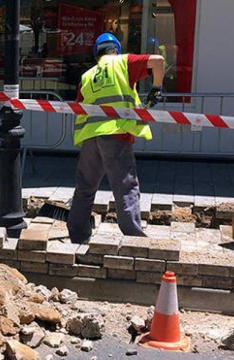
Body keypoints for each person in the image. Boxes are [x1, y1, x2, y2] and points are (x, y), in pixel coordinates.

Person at [67, 33, 164, 243]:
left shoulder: (88, 75)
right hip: (116, 133)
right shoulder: (123, 63)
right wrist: (156, 89)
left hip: (91, 136)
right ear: (116, 49)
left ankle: (77, 234)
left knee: (85, 187)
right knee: (125, 187)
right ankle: (134, 238)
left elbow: (79, 107)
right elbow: (158, 61)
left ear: (97, 53)